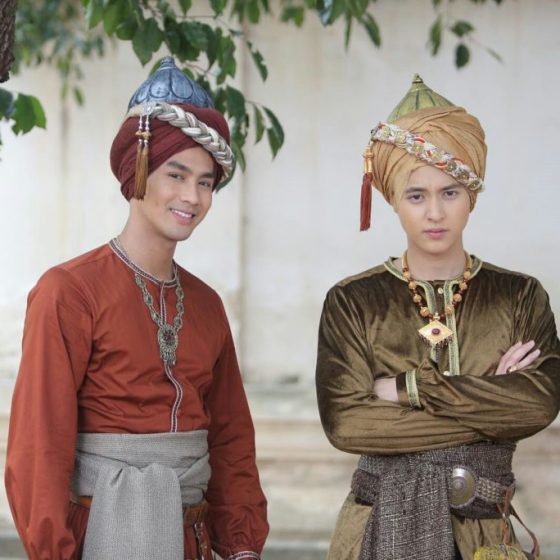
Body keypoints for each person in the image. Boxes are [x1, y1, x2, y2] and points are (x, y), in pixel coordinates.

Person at [5, 57, 268, 560]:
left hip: (192, 540)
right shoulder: (68, 291)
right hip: (97, 534)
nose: (191, 196)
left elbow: (231, 438)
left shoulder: (207, 304)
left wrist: (241, 546)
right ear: (138, 168)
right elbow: (39, 445)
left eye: (206, 182)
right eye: (176, 174)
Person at [315, 75, 560, 560]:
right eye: (416, 195)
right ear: (392, 199)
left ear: (472, 195)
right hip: (377, 528)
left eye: (450, 192)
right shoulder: (352, 300)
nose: (434, 213)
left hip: (484, 535)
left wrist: (408, 389)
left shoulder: (518, 295)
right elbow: (347, 424)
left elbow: (538, 406)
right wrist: (490, 407)